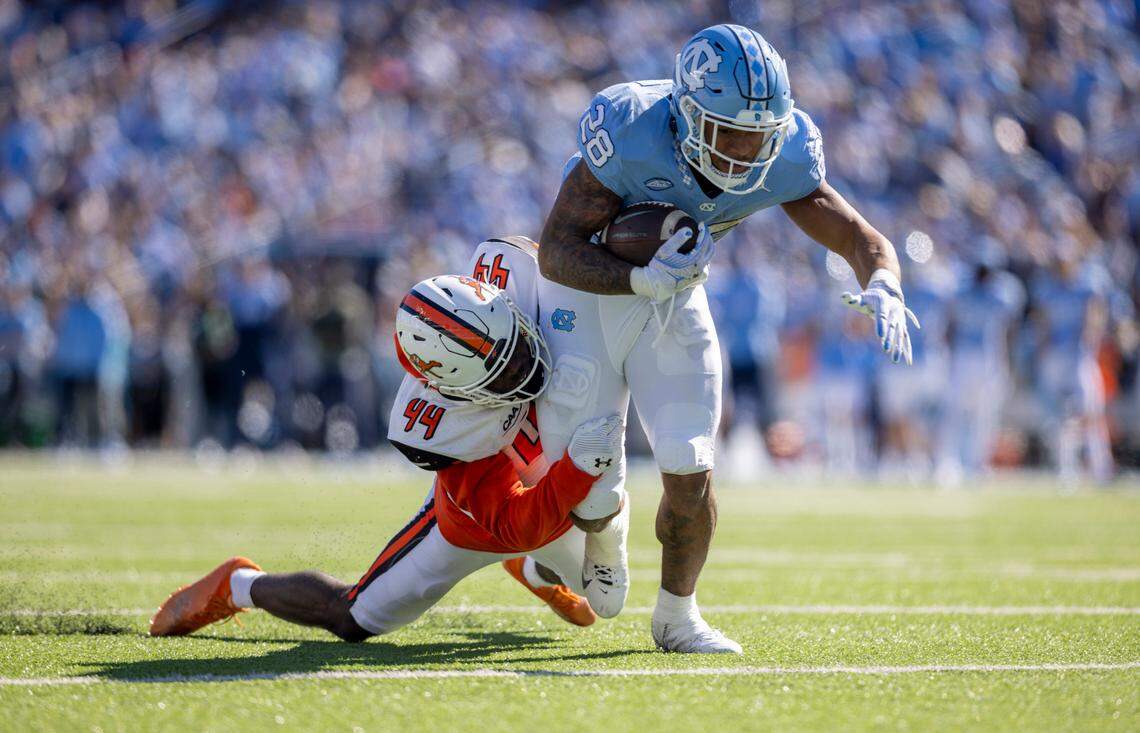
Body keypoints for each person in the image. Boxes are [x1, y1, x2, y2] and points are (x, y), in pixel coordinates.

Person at [535, 24, 918, 652]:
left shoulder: (789, 149)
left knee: (691, 466)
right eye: (732, 130)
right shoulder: (630, 127)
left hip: (676, 293)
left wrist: (884, 280)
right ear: (687, 114)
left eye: (760, 134)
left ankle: (678, 616)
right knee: (591, 481)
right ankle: (602, 529)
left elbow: (855, 232)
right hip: (589, 295)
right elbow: (555, 251)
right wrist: (639, 276)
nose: (746, 149)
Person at [150, 239, 625, 640]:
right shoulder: (448, 428)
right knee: (354, 618)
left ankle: (534, 570)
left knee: (602, 588)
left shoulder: (512, 288)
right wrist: (579, 470)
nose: (528, 367)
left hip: (535, 495)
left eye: (518, 345)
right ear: (458, 389)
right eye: (505, 373)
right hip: (472, 523)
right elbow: (515, 526)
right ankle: (238, 585)